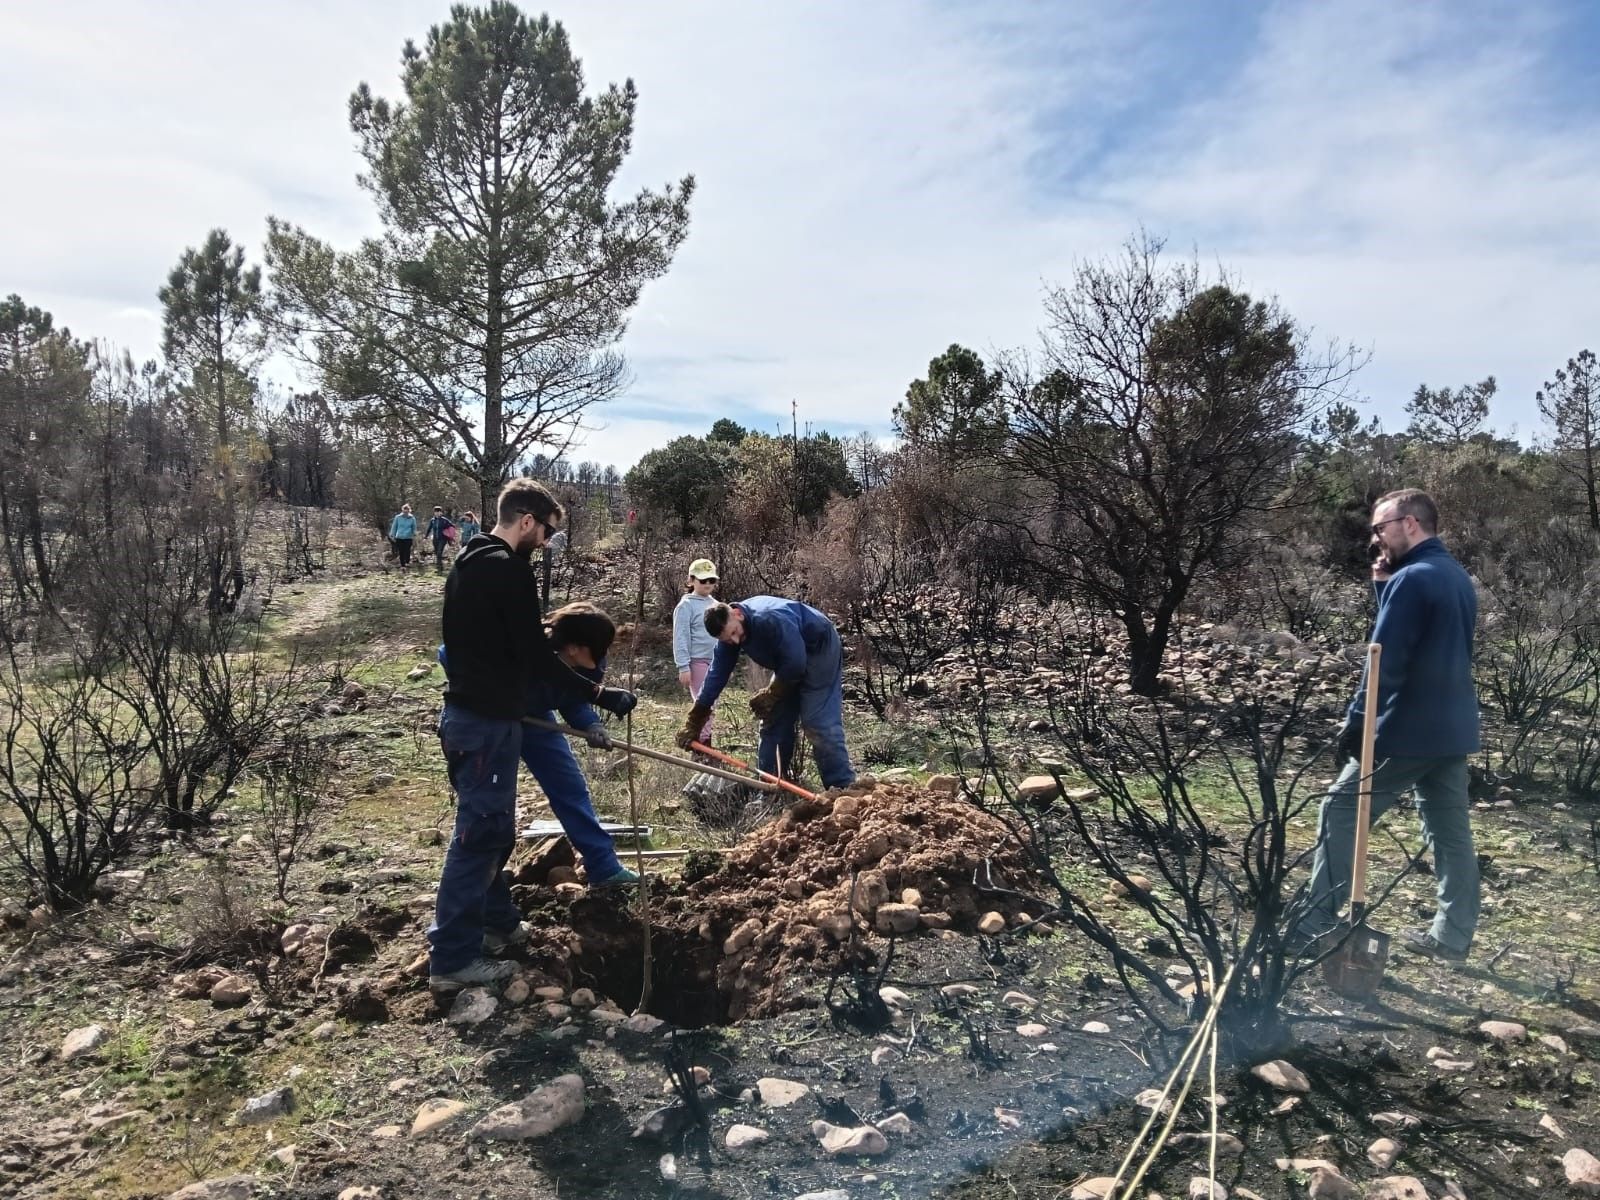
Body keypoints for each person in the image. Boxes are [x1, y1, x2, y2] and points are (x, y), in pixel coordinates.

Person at [427, 479, 638, 991]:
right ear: (526, 520)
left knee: (491, 833)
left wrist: (586, 710)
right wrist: (599, 697)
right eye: (545, 532)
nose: (545, 542)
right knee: (479, 839)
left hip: (475, 720)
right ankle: (453, 958)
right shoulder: (507, 571)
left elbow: (504, 653)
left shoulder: (468, 564)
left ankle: (498, 927)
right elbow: (536, 657)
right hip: (484, 724)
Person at [1302, 488, 1481, 961]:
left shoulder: (1415, 579)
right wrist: (1385, 585)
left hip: (1407, 729)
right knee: (1449, 833)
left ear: (1410, 524)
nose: (1376, 537)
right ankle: (1452, 936)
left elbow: (1384, 659)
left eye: (1380, 527)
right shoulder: (1454, 576)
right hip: (1452, 729)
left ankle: (1313, 924)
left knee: (1341, 810)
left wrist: (1358, 721)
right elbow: (1423, 634)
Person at [437, 601, 639, 896]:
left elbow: (573, 694)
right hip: (491, 721)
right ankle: (489, 900)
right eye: (599, 647)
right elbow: (448, 653)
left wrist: (590, 724)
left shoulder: (590, 663)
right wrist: (488, 692)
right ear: (573, 647)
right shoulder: (519, 647)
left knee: (569, 787)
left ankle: (604, 867)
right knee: (492, 812)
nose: (604, 655)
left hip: (537, 719)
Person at [675, 597, 855, 789]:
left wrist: (773, 693)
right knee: (773, 720)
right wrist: (695, 719)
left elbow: (796, 664)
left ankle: (842, 787)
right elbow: (716, 675)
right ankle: (770, 789)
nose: (735, 641)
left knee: (817, 720)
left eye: (735, 633)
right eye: (727, 639)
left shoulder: (769, 619)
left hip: (819, 647)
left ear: (737, 614)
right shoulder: (730, 634)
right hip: (788, 661)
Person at [672, 559, 720, 747]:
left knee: (712, 702)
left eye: (711, 580)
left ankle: (703, 740)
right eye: (702, 580)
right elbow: (681, 636)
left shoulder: (716, 605)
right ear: (691, 581)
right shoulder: (686, 606)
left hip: (715, 661)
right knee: (704, 703)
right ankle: (702, 744)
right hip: (696, 661)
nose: (707, 584)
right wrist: (683, 666)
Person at [425, 505, 455, 571]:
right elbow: (429, 529)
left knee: (439, 552)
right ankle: (439, 565)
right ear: (434, 512)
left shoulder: (444, 520)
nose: (437, 513)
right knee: (436, 552)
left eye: (438, 511)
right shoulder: (432, 520)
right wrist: (426, 537)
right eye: (436, 511)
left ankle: (439, 567)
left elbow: (452, 527)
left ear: (441, 512)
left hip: (443, 538)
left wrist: (448, 533)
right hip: (435, 538)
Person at [388, 503, 417, 569]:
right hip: (399, 537)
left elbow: (414, 527)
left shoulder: (412, 518)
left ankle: (407, 562)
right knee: (401, 551)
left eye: (407, 511)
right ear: (402, 511)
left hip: (408, 537)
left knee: (407, 550)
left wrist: (414, 533)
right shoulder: (398, 517)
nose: (405, 513)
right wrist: (392, 534)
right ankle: (402, 565)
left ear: (409, 511)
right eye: (404, 511)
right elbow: (394, 526)